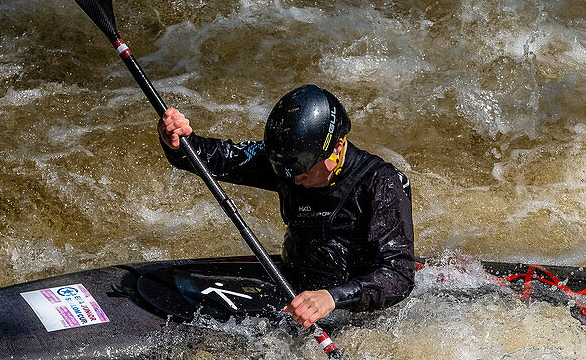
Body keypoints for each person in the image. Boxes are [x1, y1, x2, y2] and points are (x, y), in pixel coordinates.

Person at [157, 85, 414, 328]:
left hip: (347, 307)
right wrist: (182, 144)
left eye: (302, 172)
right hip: (292, 285)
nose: (293, 181)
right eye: (287, 173)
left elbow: (399, 275)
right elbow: (224, 158)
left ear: (336, 148)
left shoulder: (382, 183)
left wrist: (332, 298)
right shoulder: (290, 162)